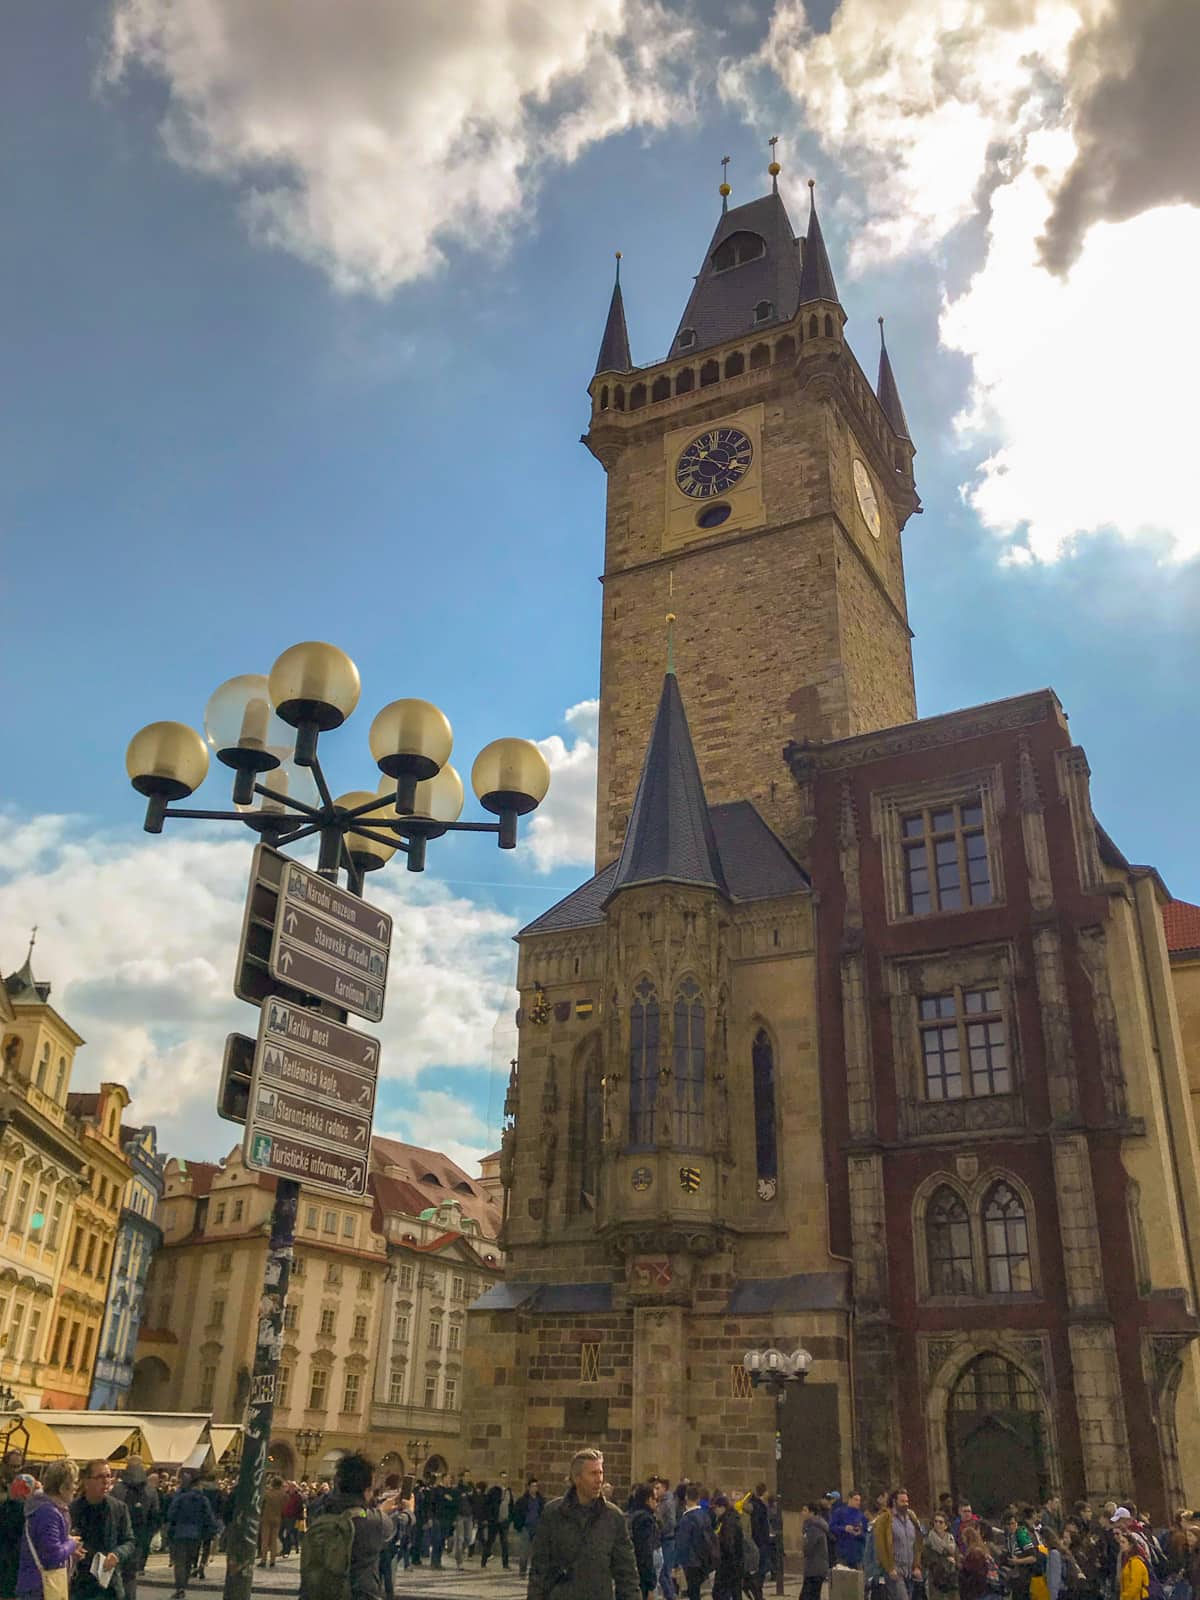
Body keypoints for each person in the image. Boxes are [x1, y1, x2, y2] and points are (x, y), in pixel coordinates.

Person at [527, 1447, 639, 1600]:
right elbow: (539, 1568)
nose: (599, 1479)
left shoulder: (613, 1517)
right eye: (593, 1473)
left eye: (600, 1473)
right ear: (577, 1478)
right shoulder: (553, 1514)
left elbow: (626, 1573)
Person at [303, 1452, 396, 1600]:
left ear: (337, 1482)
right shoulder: (375, 1521)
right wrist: (408, 1511)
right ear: (366, 1491)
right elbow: (398, 1526)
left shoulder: (318, 1510)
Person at [69, 1461, 135, 1600]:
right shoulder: (72, 1510)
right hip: (80, 1582)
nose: (106, 1481)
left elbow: (129, 1541)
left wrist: (117, 1554)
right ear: (86, 1481)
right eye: (100, 1477)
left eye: (108, 1476)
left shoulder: (119, 1508)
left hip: (108, 1584)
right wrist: (72, 1549)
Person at [18, 1461, 81, 1600]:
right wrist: (71, 1544)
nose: (76, 1488)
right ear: (62, 1487)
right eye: (74, 1483)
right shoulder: (49, 1513)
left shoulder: (45, 1508)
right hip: (39, 1588)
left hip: (34, 1586)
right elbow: (52, 1557)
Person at [164, 1471, 216, 1600]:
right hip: (196, 1534)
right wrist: (210, 1530)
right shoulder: (203, 1499)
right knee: (188, 1561)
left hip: (180, 1532)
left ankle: (180, 1588)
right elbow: (209, 1517)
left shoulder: (181, 1497)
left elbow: (171, 1513)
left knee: (180, 1562)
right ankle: (184, 1585)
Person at [874, 1488, 923, 1600]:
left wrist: (917, 1565)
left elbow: (917, 1543)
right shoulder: (885, 1519)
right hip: (895, 1569)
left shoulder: (911, 1518)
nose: (905, 1504)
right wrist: (889, 1567)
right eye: (902, 1501)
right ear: (894, 1501)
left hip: (910, 1570)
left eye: (907, 1501)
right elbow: (881, 1545)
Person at [111, 1461, 157, 1579]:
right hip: (140, 1531)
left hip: (119, 1531)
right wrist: (150, 1532)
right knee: (131, 1570)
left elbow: (110, 1510)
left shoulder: (117, 1489)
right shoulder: (150, 1490)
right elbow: (155, 1513)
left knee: (118, 1563)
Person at [628, 1485, 659, 1600]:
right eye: (655, 1499)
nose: (657, 1503)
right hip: (642, 1575)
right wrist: (650, 1585)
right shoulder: (645, 1520)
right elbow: (645, 1552)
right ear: (648, 1500)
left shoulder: (631, 1515)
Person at [709, 1496, 744, 1600]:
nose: (714, 1511)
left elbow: (728, 1544)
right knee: (735, 1593)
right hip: (735, 1564)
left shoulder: (728, 1522)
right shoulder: (730, 1518)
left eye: (715, 1508)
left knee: (719, 1592)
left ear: (722, 1507)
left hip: (728, 1564)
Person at [512, 1477, 544, 1578]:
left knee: (536, 1553)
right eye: (533, 1486)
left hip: (537, 1528)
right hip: (526, 1527)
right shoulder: (523, 1500)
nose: (535, 1488)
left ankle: (534, 1572)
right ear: (528, 1487)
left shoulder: (541, 1500)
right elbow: (516, 1513)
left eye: (536, 1486)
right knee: (524, 1552)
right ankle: (522, 1572)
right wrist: (519, 1526)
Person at [924, 1511, 959, 1600]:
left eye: (940, 1522)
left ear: (946, 1525)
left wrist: (954, 1560)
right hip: (936, 1577)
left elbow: (955, 1553)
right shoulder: (929, 1539)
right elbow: (927, 1557)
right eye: (935, 1521)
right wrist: (945, 1559)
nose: (937, 1524)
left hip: (950, 1576)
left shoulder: (950, 1538)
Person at [482, 1474, 513, 1570]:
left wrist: (509, 1517)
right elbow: (487, 1504)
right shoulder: (493, 1491)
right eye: (502, 1478)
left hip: (504, 1521)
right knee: (490, 1541)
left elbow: (511, 1505)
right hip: (494, 1520)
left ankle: (505, 1564)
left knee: (504, 1542)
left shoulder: (509, 1491)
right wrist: (489, 1517)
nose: (504, 1480)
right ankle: (483, 1561)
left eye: (506, 1478)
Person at [802, 1502, 831, 1600]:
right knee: (814, 1595)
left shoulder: (814, 1528)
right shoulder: (817, 1526)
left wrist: (805, 1543)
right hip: (817, 1567)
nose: (803, 1513)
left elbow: (808, 1548)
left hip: (815, 1567)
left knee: (807, 1596)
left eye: (805, 1510)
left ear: (812, 1513)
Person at [832, 1492, 869, 1569]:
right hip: (843, 1553)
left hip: (857, 1554)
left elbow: (867, 1533)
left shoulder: (862, 1516)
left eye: (859, 1500)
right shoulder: (839, 1512)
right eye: (856, 1500)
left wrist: (859, 1533)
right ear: (849, 1499)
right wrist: (844, 1528)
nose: (858, 1502)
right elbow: (832, 1527)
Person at [655, 1479, 678, 1600]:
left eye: (658, 1488)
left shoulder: (667, 1503)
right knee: (663, 1572)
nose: (656, 1491)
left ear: (664, 1488)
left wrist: (661, 1531)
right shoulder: (661, 1502)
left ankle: (671, 1596)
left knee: (665, 1572)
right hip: (664, 1539)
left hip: (667, 1539)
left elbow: (671, 1522)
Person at [959, 1525, 993, 1600]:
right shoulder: (981, 1549)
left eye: (964, 1538)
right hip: (983, 1588)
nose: (963, 1541)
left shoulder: (974, 1552)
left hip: (976, 1589)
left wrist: (960, 1563)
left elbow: (972, 1569)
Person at [259, 1475, 285, 1569]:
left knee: (265, 1540)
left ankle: (263, 1559)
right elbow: (285, 1505)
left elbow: (261, 1504)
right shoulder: (283, 1495)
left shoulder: (267, 1493)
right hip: (277, 1518)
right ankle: (273, 1560)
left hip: (266, 1517)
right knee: (274, 1540)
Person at [1119, 1531, 1150, 1600]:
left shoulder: (1135, 1562)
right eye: (1120, 1542)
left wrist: (1125, 1597)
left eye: (1123, 1542)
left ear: (1131, 1545)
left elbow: (1136, 1585)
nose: (1121, 1545)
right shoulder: (1128, 1562)